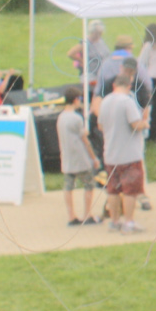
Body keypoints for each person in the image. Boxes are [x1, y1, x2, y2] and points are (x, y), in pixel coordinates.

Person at [98, 66, 148, 234]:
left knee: (112, 189)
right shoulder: (127, 102)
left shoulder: (105, 101)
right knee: (130, 190)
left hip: (111, 153)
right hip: (129, 154)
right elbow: (135, 124)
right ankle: (128, 222)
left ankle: (114, 221)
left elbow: (100, 125)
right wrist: (145, 122)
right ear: (128, 85)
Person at [56, 88, 100, 227]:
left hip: (67, 156)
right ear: (76, 100)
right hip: (80, 157)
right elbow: (84, 140)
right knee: (88, 184)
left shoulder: (61, 117)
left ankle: (71, 215)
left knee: (68, 186)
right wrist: (93, 158)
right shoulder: (76, 118)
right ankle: (87, 214)